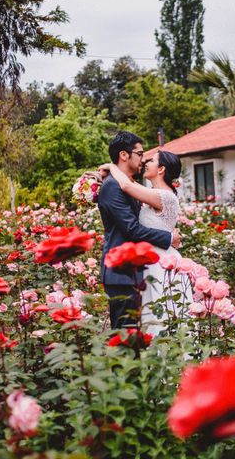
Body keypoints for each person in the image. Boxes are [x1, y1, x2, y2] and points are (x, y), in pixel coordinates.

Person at [98, 131, 181, 329]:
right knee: (124, 338)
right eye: (141, 154)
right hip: (121, 272)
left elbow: (129, 188)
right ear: (124, 155)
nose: (143, 160)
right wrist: (168, 237)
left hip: (138, 270)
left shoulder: (134, 187)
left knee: (142, 332)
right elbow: (132, 229)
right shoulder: (113, 186)